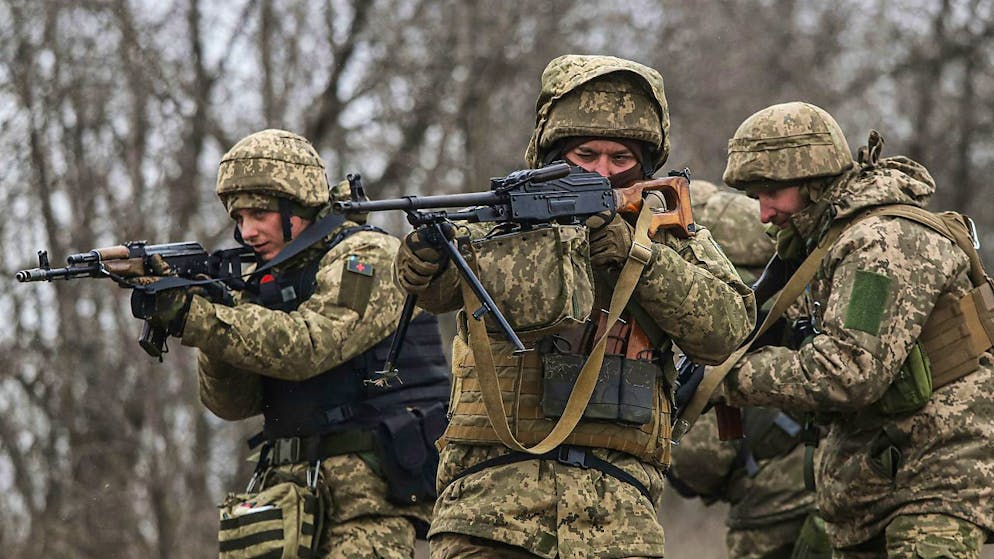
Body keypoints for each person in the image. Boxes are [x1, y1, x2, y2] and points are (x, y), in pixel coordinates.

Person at [396, 54, 756, 559]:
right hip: (488, 512)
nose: (603, 172)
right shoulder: (498, 226)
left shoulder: (668, 237)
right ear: (552, 154)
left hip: (619, 520)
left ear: (645, 163)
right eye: (585, 155)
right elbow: (436, 292)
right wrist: (421, 263)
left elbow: (727, 330)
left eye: (620, 158)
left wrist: (638, 259)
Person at [147, 129, 451, 558]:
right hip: (286, 502)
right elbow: (232, 404)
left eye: (260, 213)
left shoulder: (368, 257)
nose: (248, 231)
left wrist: (197, 317)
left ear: (300, 204)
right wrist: (212, 313)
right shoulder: (266, 278)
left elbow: (311, 345)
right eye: (239, 218)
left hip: (369, 503)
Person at [716, 102, 994, 558]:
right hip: (876, 480)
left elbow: (848, 368)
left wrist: (729, 377)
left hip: (937, 476)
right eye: (755, 197)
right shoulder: (828, 241)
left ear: (814, 179)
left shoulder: (881, 244)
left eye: (772, 193)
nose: (764, 213)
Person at [666, 180, 822, 559]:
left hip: (771, 509)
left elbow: (701, 462)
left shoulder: (710, 317)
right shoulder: (798, 286)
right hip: (831, 482)